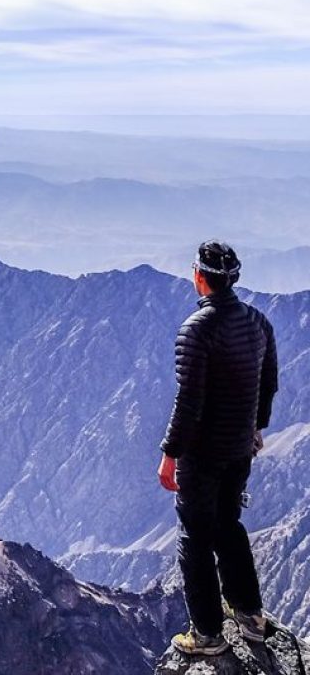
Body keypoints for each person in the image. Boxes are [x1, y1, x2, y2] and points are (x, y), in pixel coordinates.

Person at [157, 240, 278, 656]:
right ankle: (250, 615)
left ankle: (207, 633)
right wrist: (255, 429)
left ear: (199, 276)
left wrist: (170, 453)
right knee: (229, 526)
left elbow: (188, 402)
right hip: (240, 449)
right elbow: (268, 385)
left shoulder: (196, 331)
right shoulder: (259, 323)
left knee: (193, 535)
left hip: (203, 453)